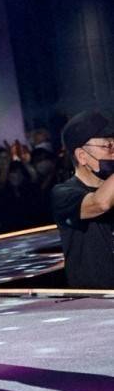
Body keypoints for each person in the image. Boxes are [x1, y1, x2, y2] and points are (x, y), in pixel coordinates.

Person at [51, 108, 114, 288]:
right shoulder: (63, 193)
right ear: (82, 156)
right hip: (96, 299)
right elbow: (100, 203)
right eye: (108, 146)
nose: (113, 151)